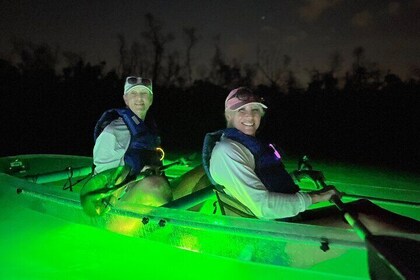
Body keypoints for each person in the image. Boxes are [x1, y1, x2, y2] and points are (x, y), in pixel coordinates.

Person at [207, 87, 420, 235]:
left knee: (363, 206)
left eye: (255, 109)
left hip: (282, 224)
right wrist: (317, 196)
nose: (249, 115)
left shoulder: (241, 146)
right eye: (241, 110)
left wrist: (298, 176)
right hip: (271, 241)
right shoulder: (228, 151)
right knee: (365, 219)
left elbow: (264, 180)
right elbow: (265, 207)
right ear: (229, 115)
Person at [90, 76, 172, 212]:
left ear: (151, 99)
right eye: (133, 93)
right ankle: (173, 228)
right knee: (155, 185)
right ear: (125, 99)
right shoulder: (113, 131)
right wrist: (137, 179)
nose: (139, 98)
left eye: (144, 93)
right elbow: (102, 183)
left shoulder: (149, 128)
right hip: (120, 202)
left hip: (149, 194)